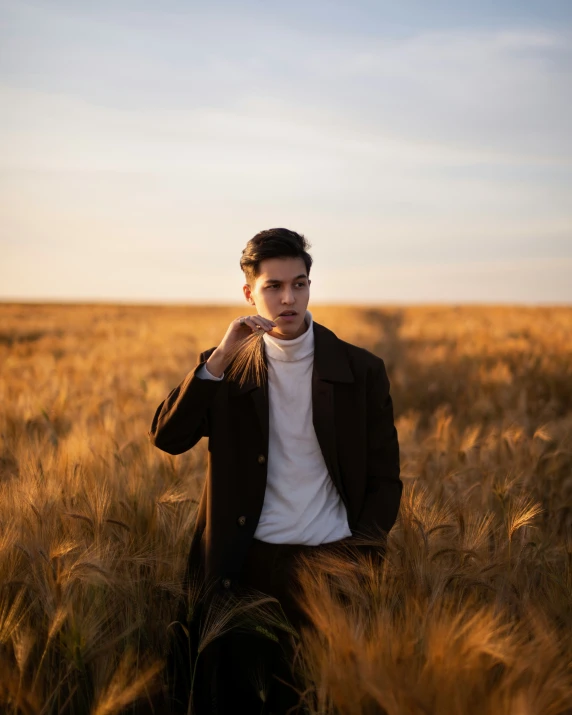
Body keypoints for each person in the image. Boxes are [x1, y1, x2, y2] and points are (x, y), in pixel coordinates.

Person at [148, 228, 402, 714]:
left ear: (310, 285)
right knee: (244, 700)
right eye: (274, 287)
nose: (289, 299)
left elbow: (385, 477)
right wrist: (220, 357)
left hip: (330, 568)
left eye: (300, 284)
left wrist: (361, 556)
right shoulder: (227, 370)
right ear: (249, 293)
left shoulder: (360, 370)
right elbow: (168, 437)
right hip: (247, 567)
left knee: (316, 700)